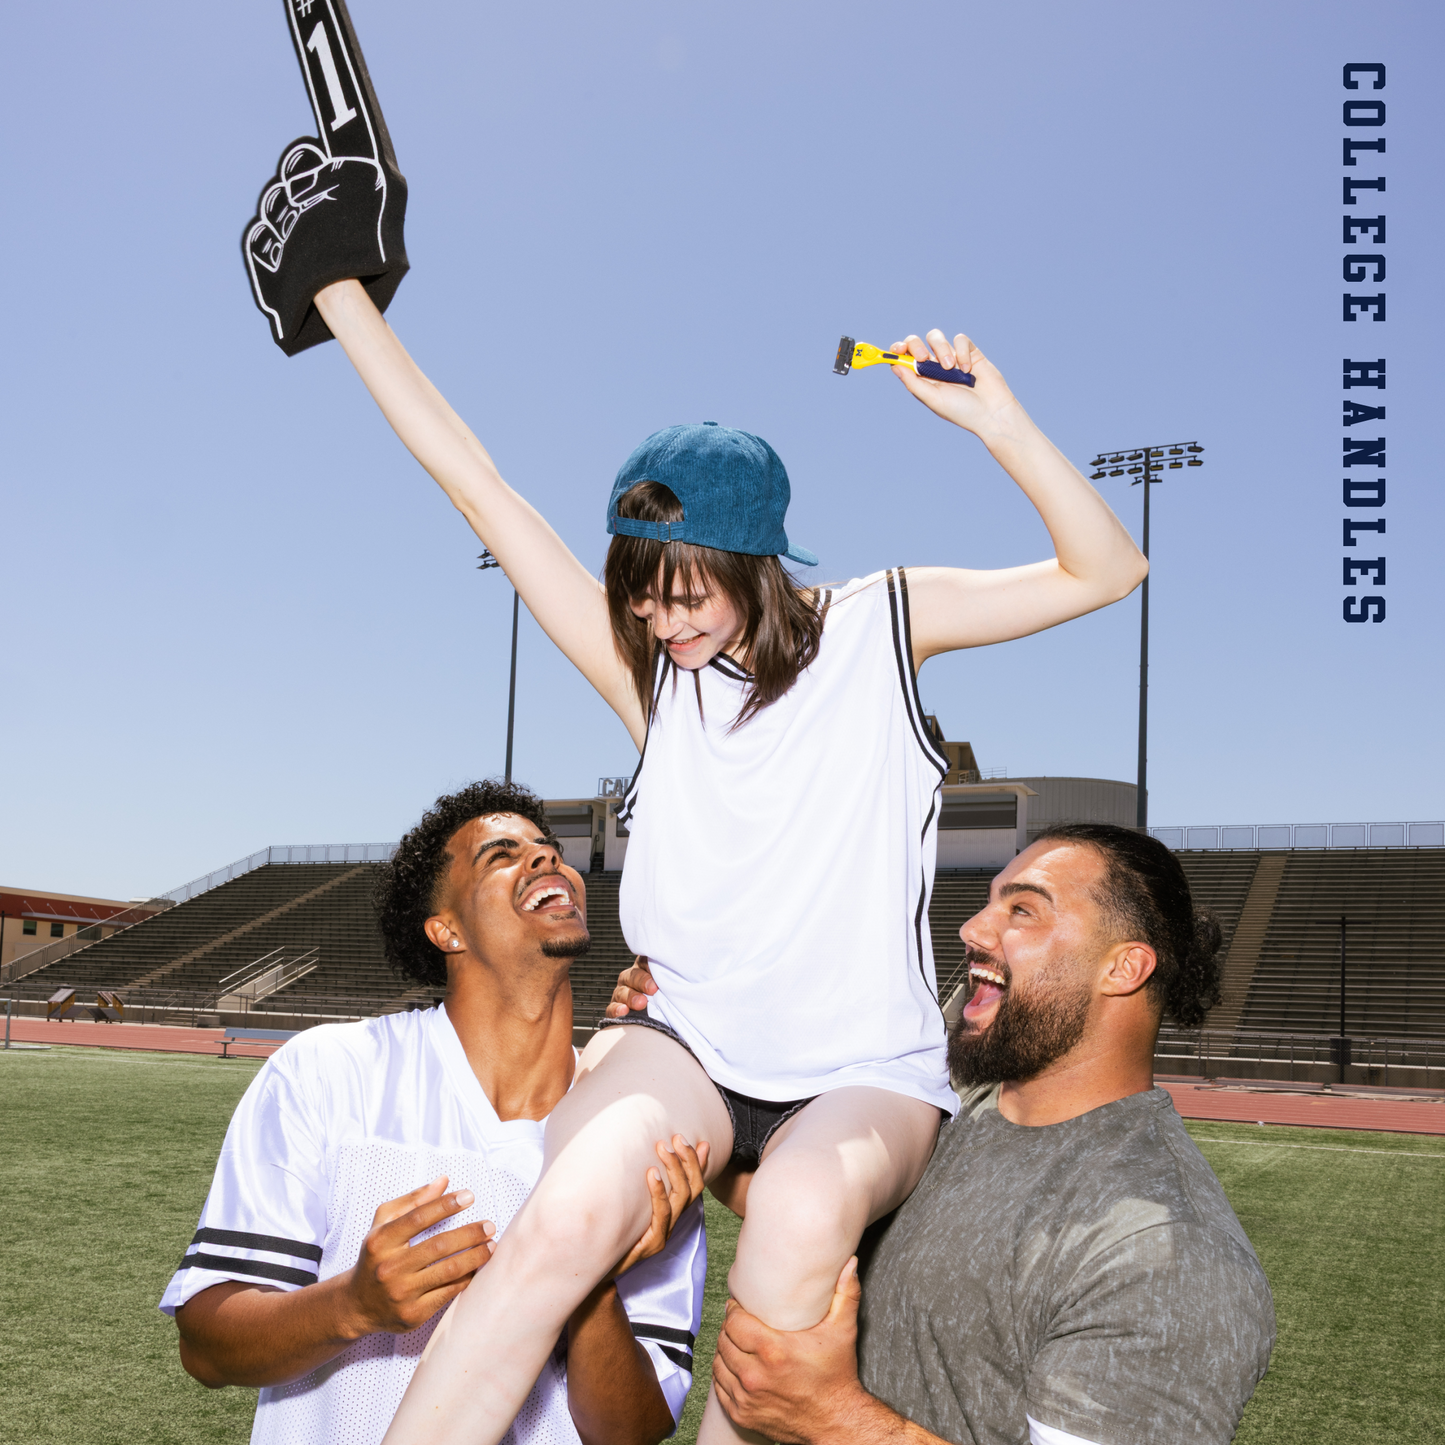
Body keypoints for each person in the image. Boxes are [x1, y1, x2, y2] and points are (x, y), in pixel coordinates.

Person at [301, 270, 1148, 1445]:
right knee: (564, 1214)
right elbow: (482, 491)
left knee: (799, 1214)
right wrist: (345, 298)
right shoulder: (655, 684)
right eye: (639, 600)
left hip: (860, 1071)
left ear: (756, 559)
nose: (660, 622)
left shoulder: (880, 625)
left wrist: (992, 419)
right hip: (688, 1047)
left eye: (682, 592)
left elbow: (1106, 570)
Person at [161, 780, 709, 1445]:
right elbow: (207, 1344)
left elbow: (634, 1430)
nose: (544, 859)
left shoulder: (638, 1130)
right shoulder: (329, 1072)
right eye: (500, 854)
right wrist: (352, 1303)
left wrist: (587, 1274)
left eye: (549, 848)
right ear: (445, 927)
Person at [700, 824, 1276, 1445]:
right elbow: (813, 1209)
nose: (972, 929)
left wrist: (833, 1418)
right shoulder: (949, 1100)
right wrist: (683, 1070)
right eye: (991, 900)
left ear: (1124, 967)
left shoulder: (1170, 1254)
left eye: (1022, 909)